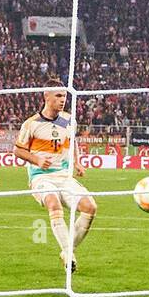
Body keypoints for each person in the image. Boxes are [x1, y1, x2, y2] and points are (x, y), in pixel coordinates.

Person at [13, 82, 97, 273]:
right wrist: (36, 159)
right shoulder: (31, 124)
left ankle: (67, 252)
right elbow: (17, 150)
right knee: (53, 203)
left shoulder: (69, 120)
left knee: (90, 208)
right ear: (47, 97)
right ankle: (70, 254)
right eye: (58, 96)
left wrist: (77, 162)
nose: (62, 100)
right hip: (40, 178)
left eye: (64, 97)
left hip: (63, 176)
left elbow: (72, 141)